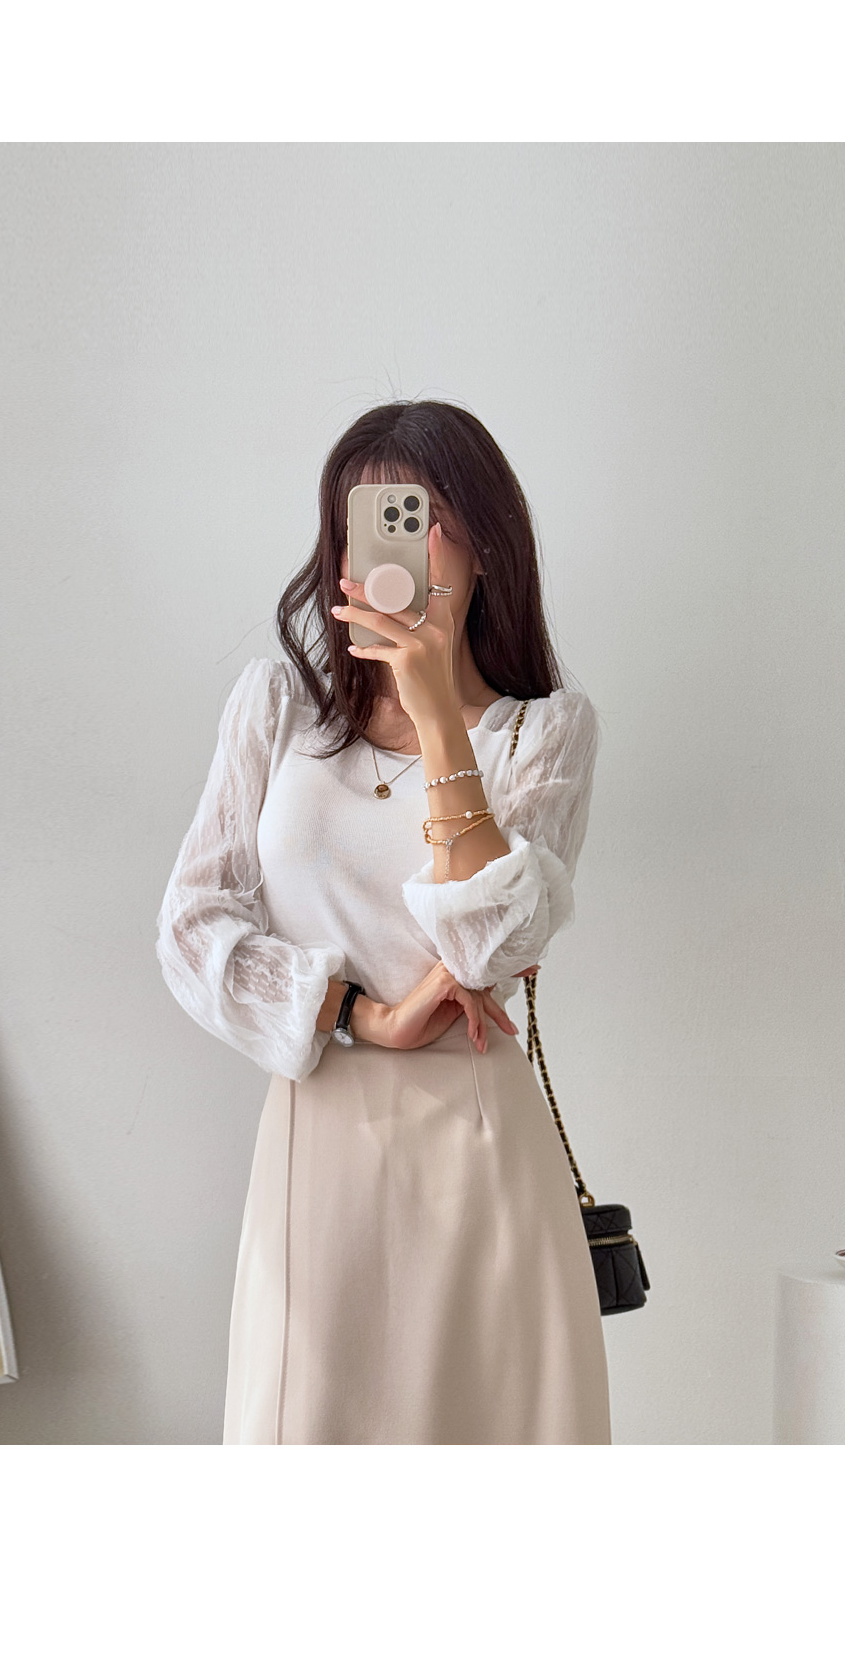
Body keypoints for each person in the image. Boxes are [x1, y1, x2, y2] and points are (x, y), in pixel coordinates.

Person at [155, 399, 611, 1444]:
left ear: (485, 541)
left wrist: (438, 708)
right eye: (369, 520)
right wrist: (356, 1012)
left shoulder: (543, 734)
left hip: (480, 1140)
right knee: (306, 1426)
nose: (395, 545)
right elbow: (191, 925)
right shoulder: (277, 709)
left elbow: (489, 946)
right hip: (321, 1127)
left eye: (424, 516)